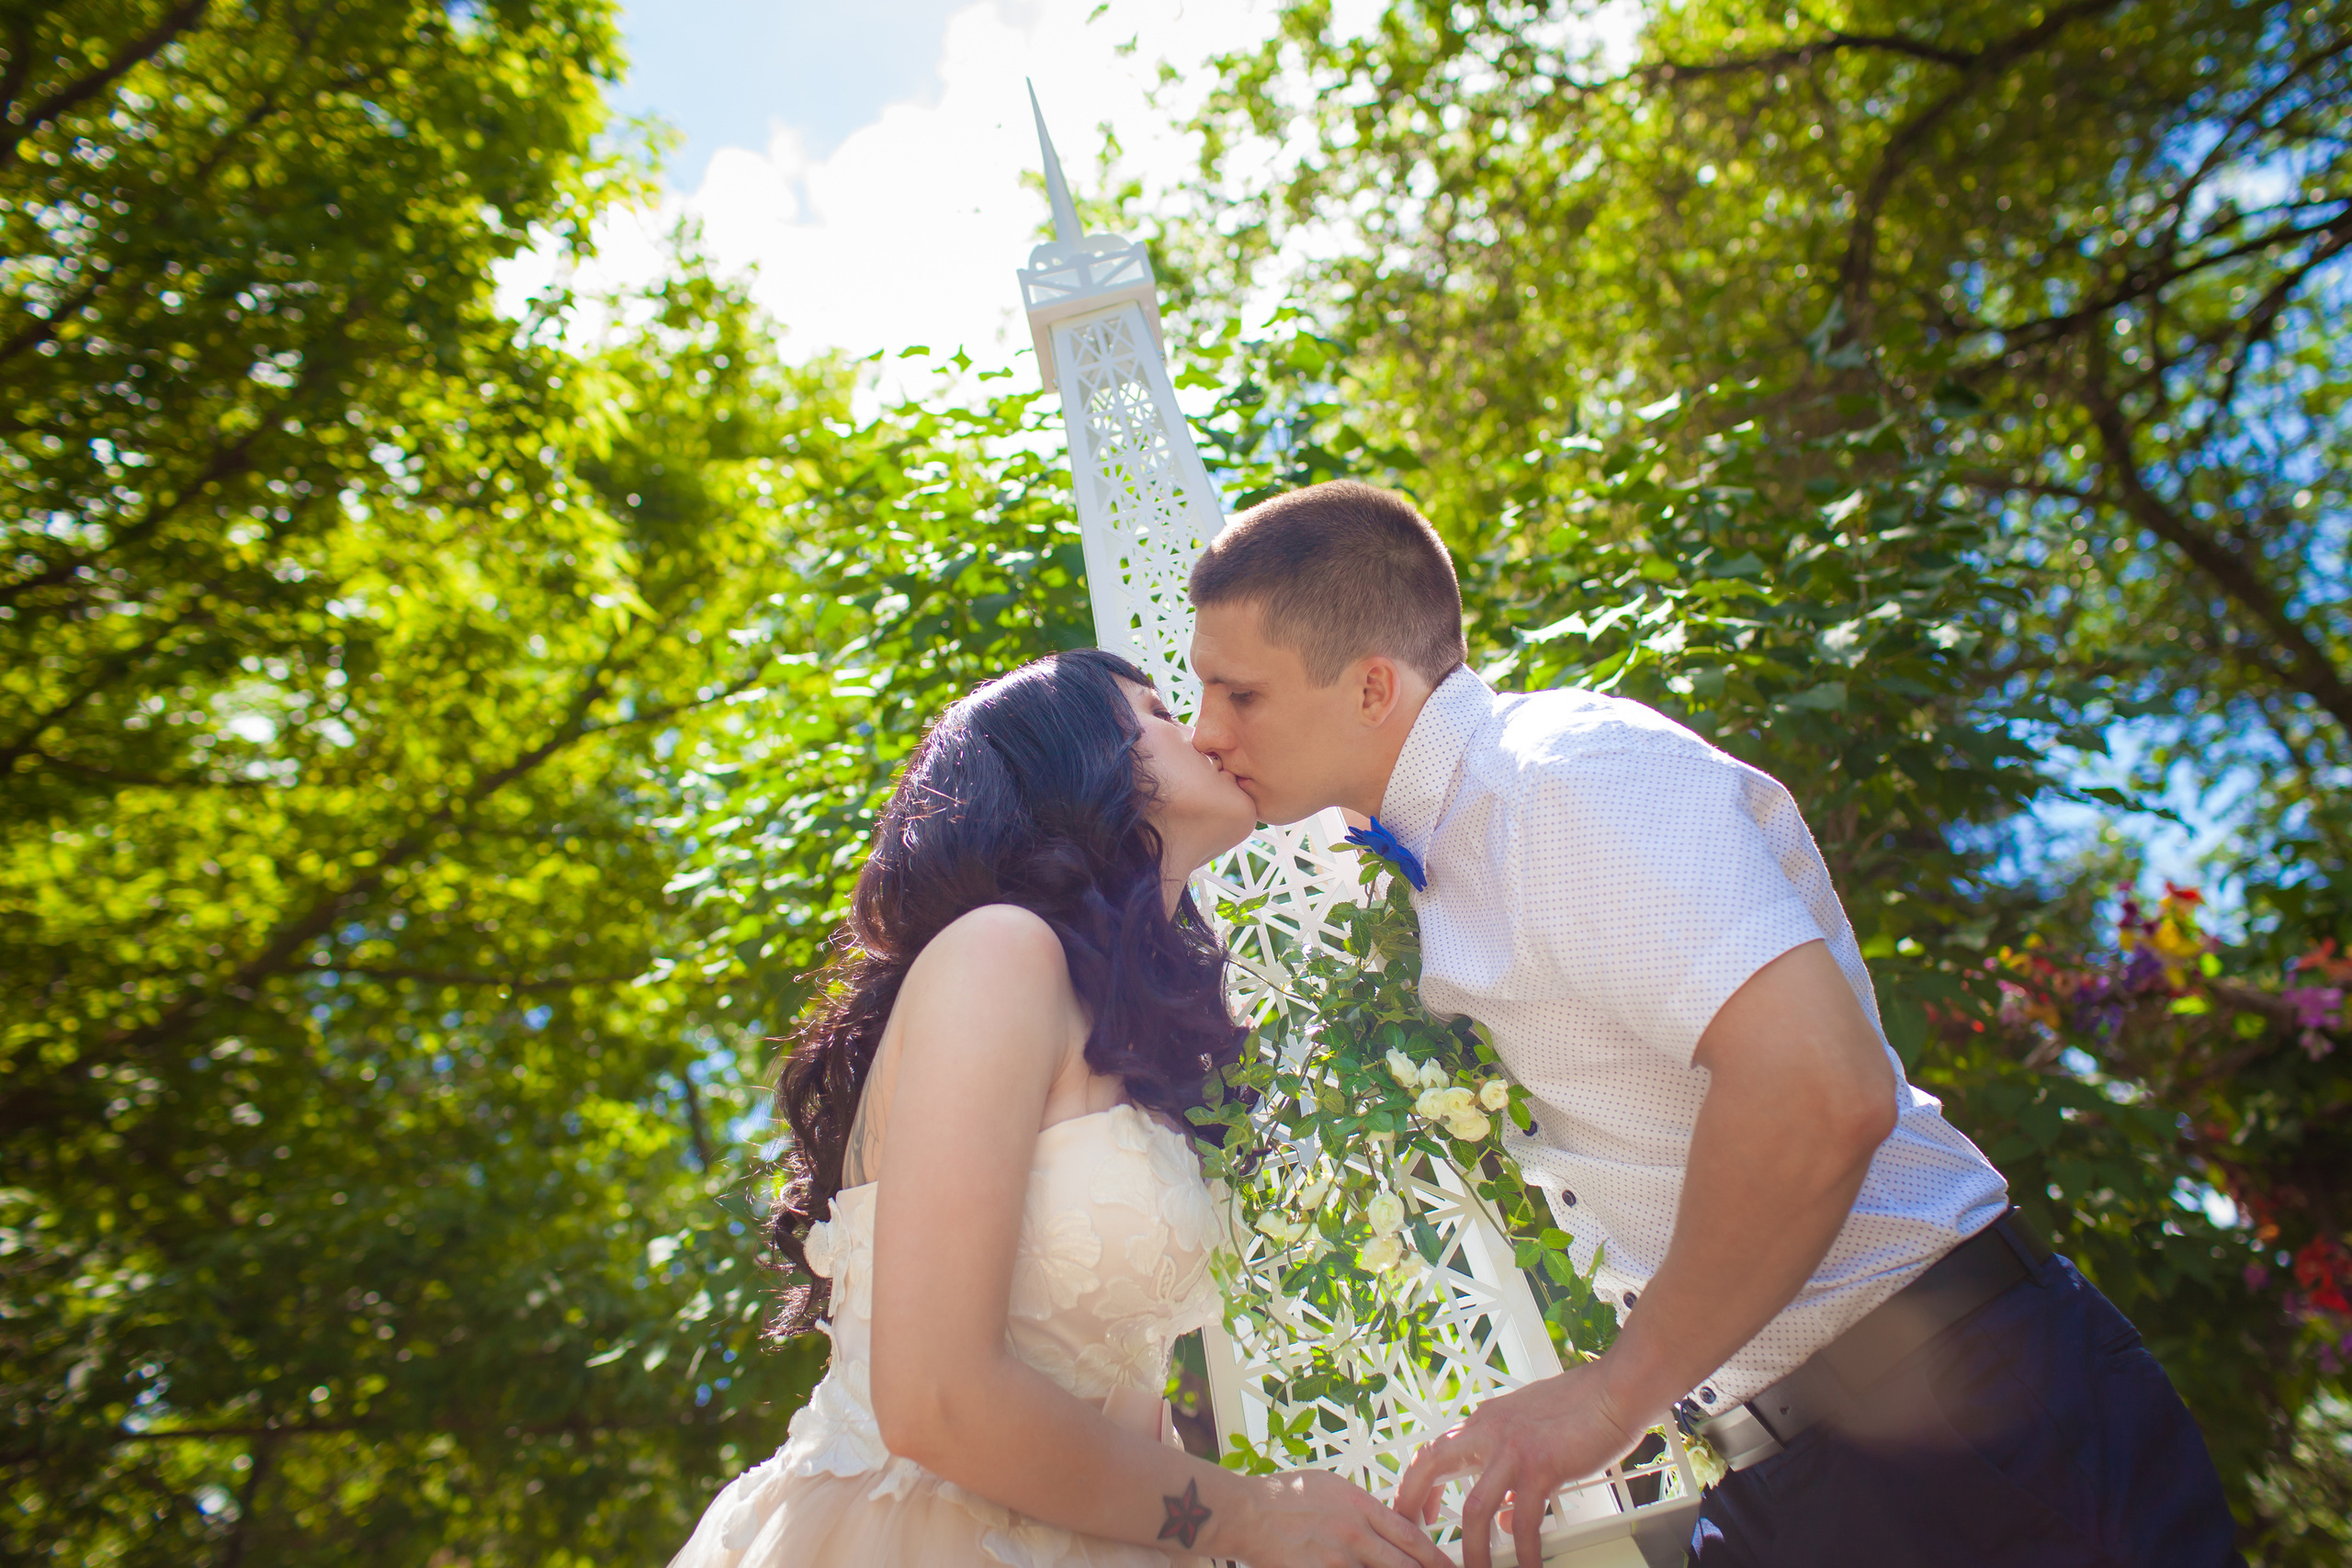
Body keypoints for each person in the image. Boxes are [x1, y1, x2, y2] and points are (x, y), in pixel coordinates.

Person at [1183, 481, 2242, 1568]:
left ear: (1369, 688)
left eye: (1239, 694)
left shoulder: (1559, 784)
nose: (1206, 731)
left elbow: (1820, 1089)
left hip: (1968, 1445)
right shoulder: (1447, 842)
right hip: (1794, 1468)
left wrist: (1610, 1395)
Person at [668, 649, 1452, 1568]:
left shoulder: (1133, 1035)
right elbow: (934, 1399)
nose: (1206, 734)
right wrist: (1245, 1516)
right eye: (1164, 713)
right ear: (1078, 761)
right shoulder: (997, 953)